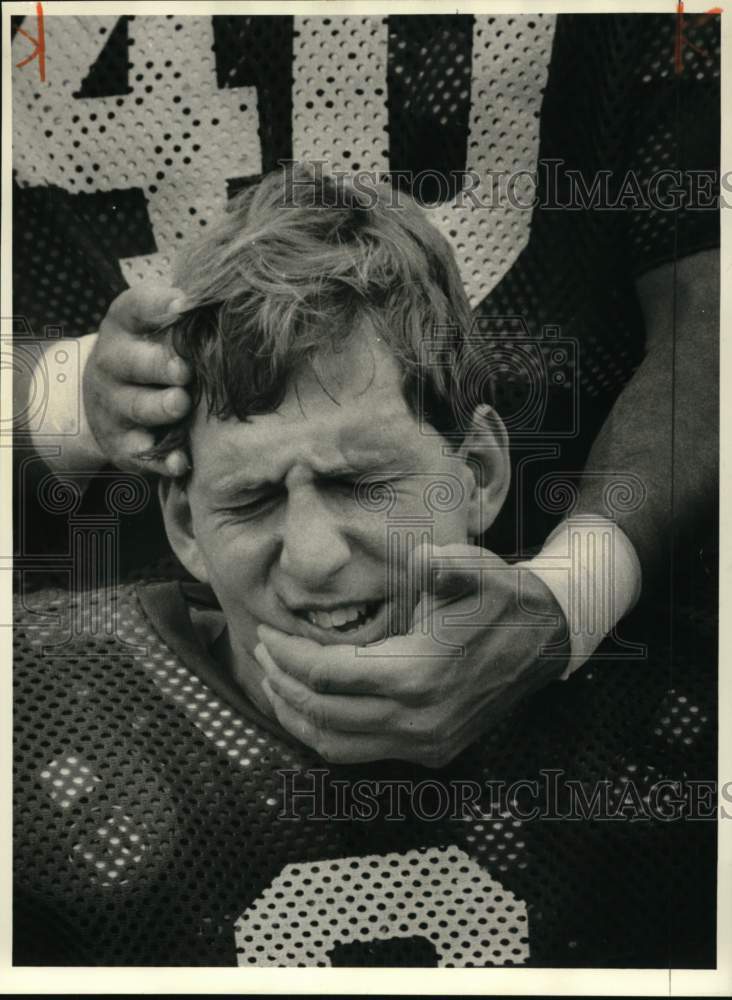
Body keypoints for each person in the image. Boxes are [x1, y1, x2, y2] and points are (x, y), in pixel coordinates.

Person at [14, 165, 577, 966]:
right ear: (184, 523)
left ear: (480, 471)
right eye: (250, 500)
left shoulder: (659, 707)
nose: (314, 559)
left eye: (360, 482)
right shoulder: (34, 717)